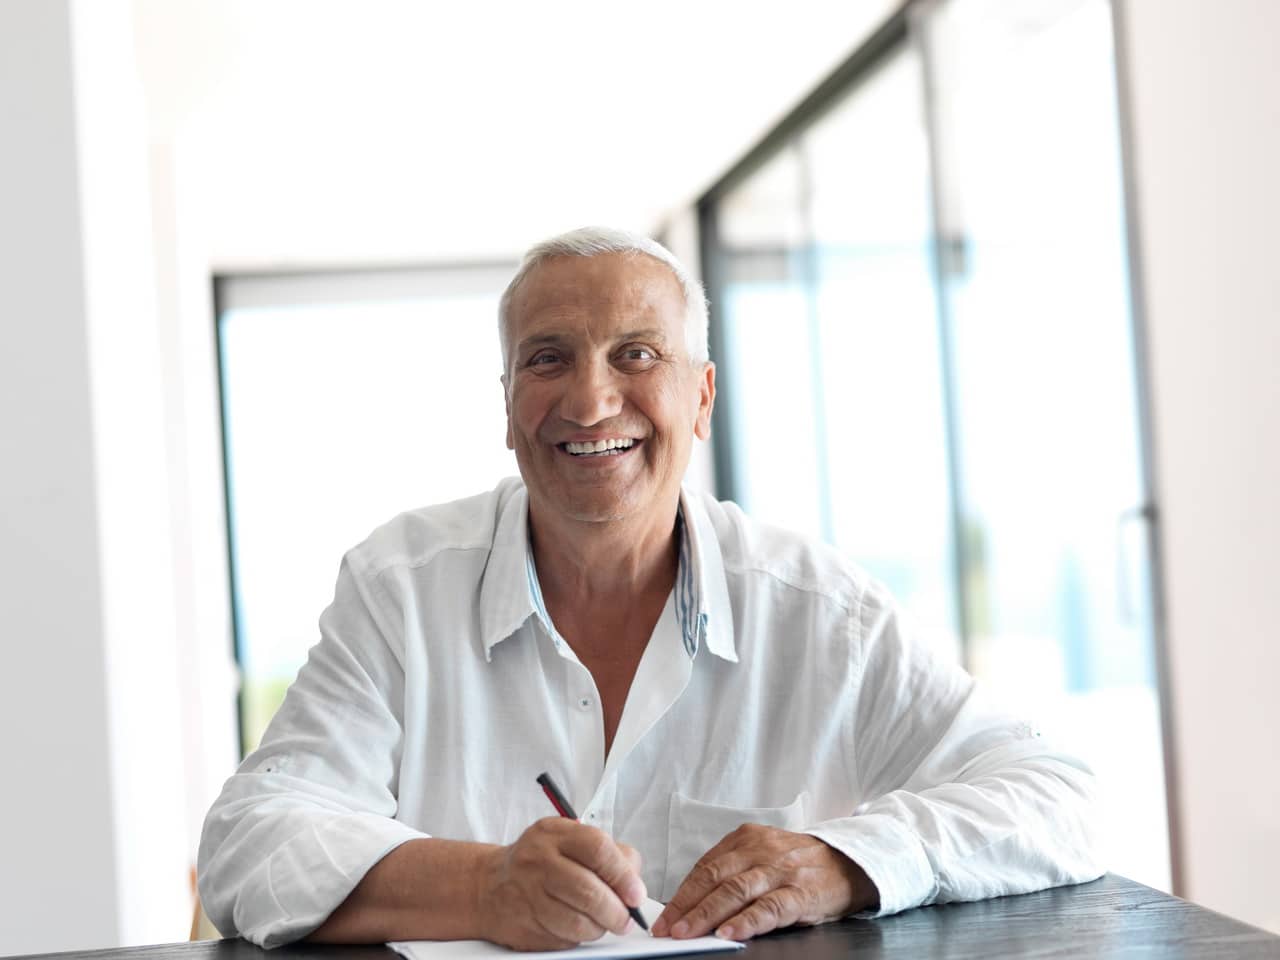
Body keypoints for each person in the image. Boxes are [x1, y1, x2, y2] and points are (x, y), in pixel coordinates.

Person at [197, 227, 1103, 950]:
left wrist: (846, 859)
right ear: (507, 402)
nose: (591, 403)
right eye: (548, 359)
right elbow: (249, 841)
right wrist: (483, 886)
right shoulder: (398, 590)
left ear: (702, 397)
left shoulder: (820, 610)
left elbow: (1059, 797)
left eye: (635, 355)